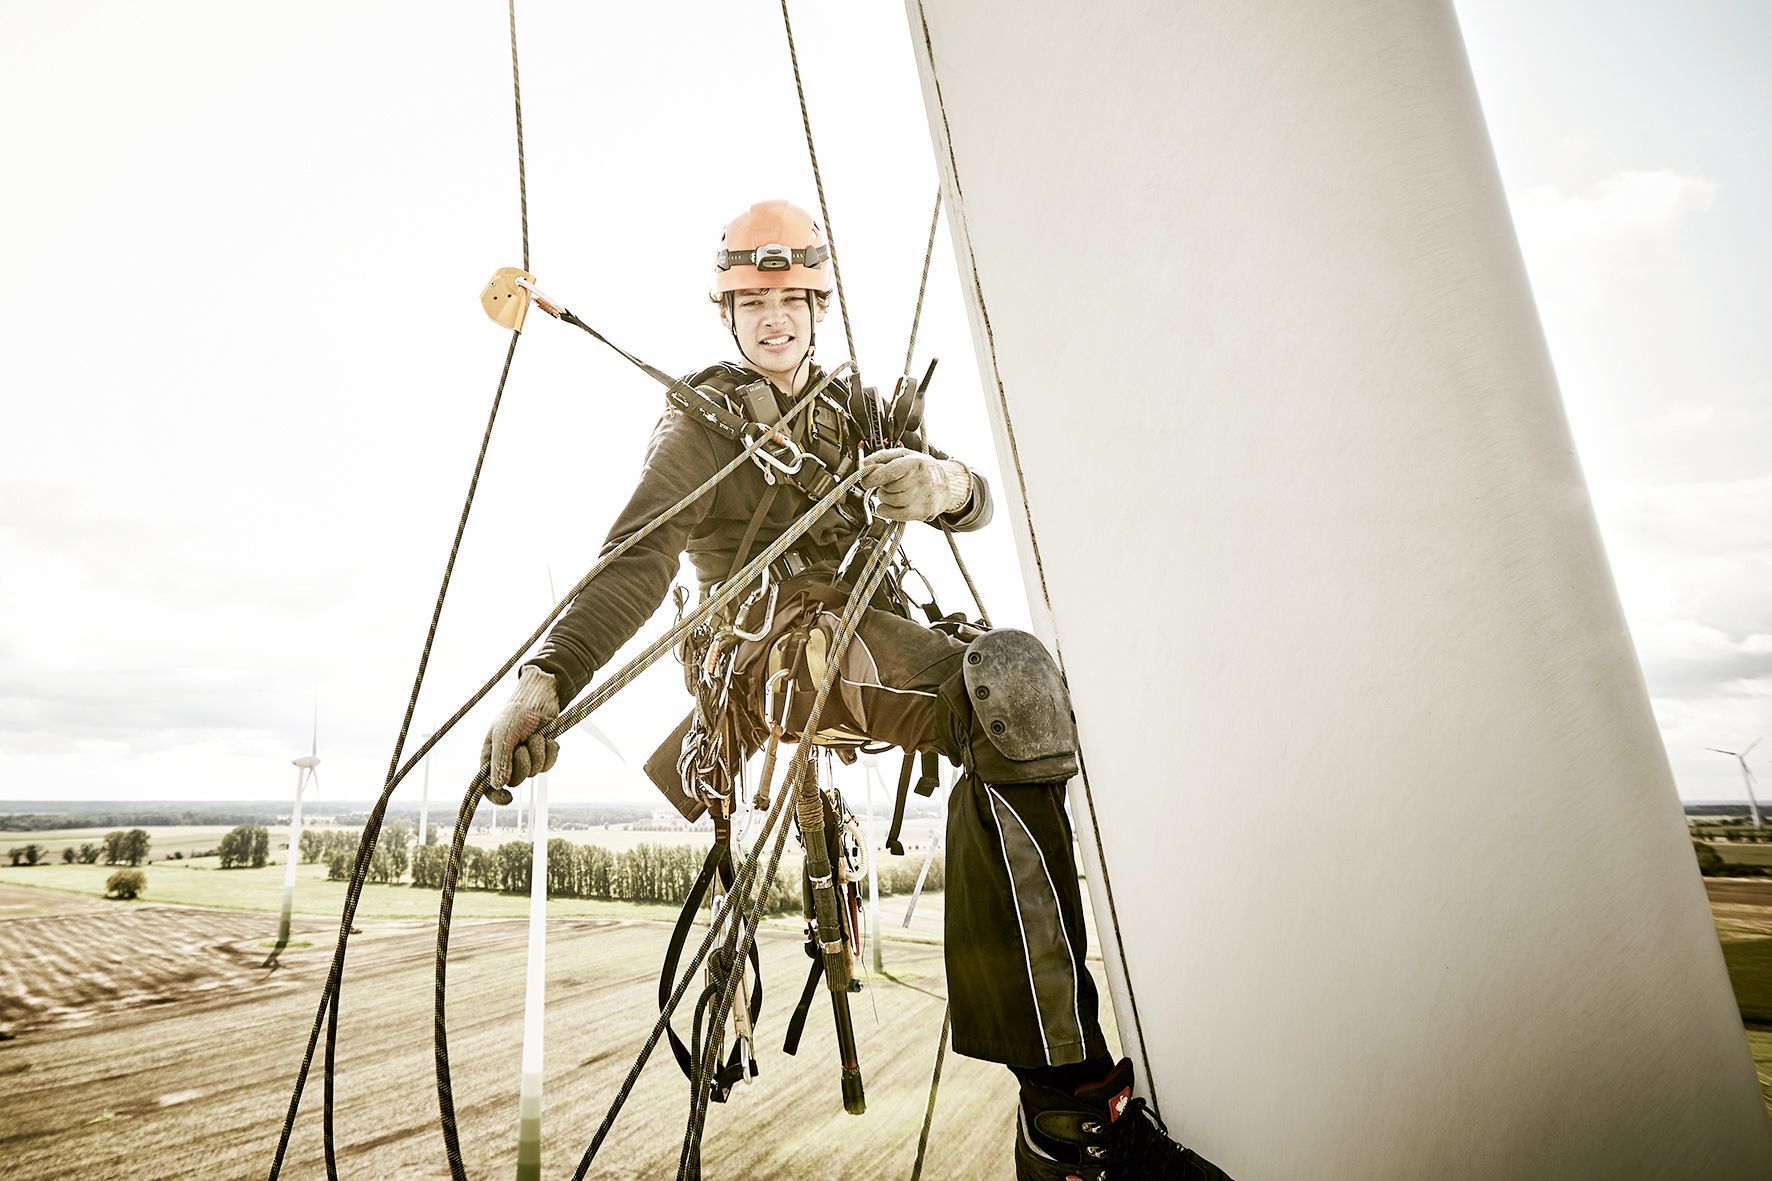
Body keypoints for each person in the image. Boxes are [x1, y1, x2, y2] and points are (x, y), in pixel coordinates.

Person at [480, 199, 1229, 1181]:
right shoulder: (700, 426)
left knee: (1034, 690)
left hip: (867, 627)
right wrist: (547, 674)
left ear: (817, 306)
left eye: (791, 298)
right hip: (776, 656)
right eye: (754, 301)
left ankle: (1075, 1048)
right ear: (726, 314)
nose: (774, 316)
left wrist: (942, 482)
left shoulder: (854, 414)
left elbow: (977, 499)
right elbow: (635, 558)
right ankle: (1065, 1107)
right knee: (1001, 693)